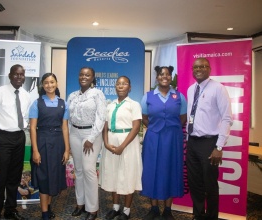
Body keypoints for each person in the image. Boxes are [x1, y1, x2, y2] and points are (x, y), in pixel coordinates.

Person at [186, 58, 233, 220]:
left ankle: (212, 217)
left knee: (210, 184)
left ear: (209, 69)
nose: (199, 69)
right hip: (192, 142)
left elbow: (227, 119)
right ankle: (198, 215)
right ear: (192, 70)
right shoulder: (191, 89)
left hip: (209, 143)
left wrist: (219, 147)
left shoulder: (218, 89)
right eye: (196, 67)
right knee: (195, 183)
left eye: (202, 66)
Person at [0, 64, 30, 220]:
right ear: (10, 76)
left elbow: (25, 117)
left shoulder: (26, 95)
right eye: (16, 74)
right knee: (1, 177)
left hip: (19, 137)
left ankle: (10, 210)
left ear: (24, 76)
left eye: (21, 74)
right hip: (3, 138)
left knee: (14, 177)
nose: (19, 77)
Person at [141, 66, 187, 220]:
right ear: (157, 77)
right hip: (153, 138)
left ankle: (168, 210)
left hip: (173, 138)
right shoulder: (147, 96)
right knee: (151, 169)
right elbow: (144, 117)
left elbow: (183, 118)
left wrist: (171, 129)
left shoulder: (179, 97)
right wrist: (155, 128)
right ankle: (154, 208)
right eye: (161, 74)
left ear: (171, 77)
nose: (164, 77)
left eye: (168, 74)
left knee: (171, 169)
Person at [99, 76, 142, 220]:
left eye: (124, 84)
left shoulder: (134, 105)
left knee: (128, 174)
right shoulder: (109, 105)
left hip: (127, 143)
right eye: (118, 84)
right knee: (113, 174)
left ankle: (127, 210)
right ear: (115, 87)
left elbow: (136, 127)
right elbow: (105, 126)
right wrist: (105, 143)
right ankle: (116, 208)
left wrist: (122, 146)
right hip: (110, 142)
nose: (121, 86)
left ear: (130, 87)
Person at [67, 67, 106, 220]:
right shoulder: (72, 95)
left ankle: (92, 208)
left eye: (87, 75)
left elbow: (101, 117)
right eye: (82, 74)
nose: (84, 77)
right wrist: (70, 135)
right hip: (75, 134)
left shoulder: (97, 94)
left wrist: (91, 138)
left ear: (92, 77)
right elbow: (69, 118)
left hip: (91, 135)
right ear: (79, 76)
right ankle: (80, 204)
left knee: (89, 169)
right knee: (78, 170)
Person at [29, 73, 70, 220]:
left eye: (52, 82)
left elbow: (65, 128)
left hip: (58, 143)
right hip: (42, 142)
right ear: (42, 85)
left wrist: (67, 149)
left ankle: (48, 207)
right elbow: (32, 128)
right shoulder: (37, 103)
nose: (49, 85)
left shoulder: (63, 104)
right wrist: (35, 150)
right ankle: (45, 213)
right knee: (44, 177)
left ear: (56, 83)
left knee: (54, 176)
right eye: (46, 82)